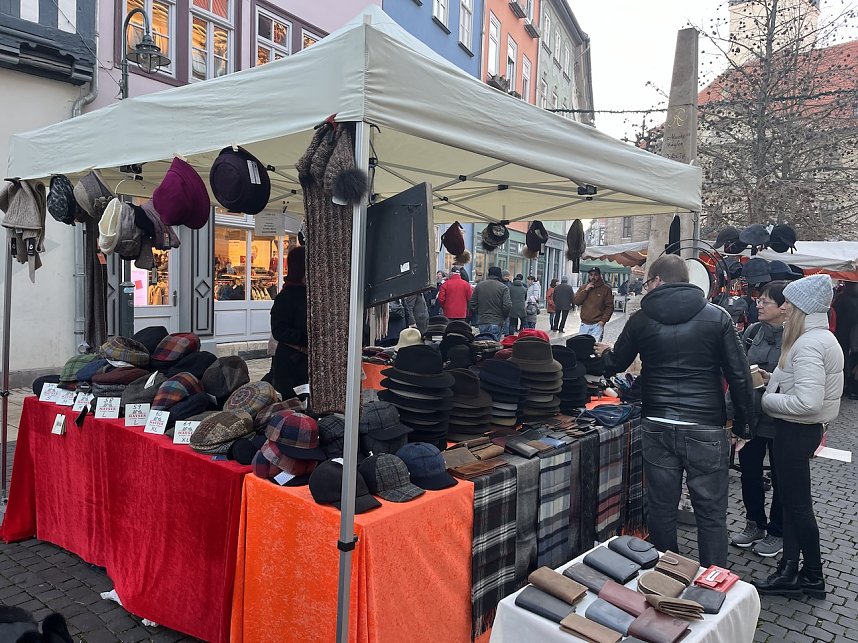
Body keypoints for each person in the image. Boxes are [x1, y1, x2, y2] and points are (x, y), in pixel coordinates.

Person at [594, 254, 754, 567]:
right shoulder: (718, 316)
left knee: (661, 508)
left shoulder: (641, 318)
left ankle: (666, 578)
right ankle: (712, 586)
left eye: (646, 281)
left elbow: (615, 364)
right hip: (706, 426)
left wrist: (605, 354)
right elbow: (739, 375)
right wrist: (743, 425)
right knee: (710, 513)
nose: (645, 287)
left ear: (658, 280)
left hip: (657, 423)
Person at [753, 275, 843, 600]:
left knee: (799, 507)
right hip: (800, 431)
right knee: (793, 506)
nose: (785, 307)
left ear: (803, 306)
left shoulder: (807, 343)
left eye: (790, 302)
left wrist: (766, 400)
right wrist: (773, 380)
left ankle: (812, 575)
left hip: (795, 430)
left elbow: (807, 402)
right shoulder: (818, 338)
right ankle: (792, 570)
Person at [730, 281, 787, 558]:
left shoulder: (797, 340)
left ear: (784, 307)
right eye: (759, 300)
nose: (759, 305)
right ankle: (755, 524)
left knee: (781, 477)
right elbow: (737, 374)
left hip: (782, 419)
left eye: (766, 301)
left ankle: (777, 531)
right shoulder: (752, 332)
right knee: (750, 473)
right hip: (752, 417)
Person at [270, 246, 308, 398]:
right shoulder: (286, 296)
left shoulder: (312, 293)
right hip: (291, 364)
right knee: (293, 403)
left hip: (305, 362)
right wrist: (307, 338)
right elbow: (279, 330)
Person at [469, 266, 511, 341]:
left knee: (483, 343)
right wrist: (504, 316)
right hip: (497, 320)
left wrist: (479, 312)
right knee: (494, 345)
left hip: (483, 320)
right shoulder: (503, 288)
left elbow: (472, 303)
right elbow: (507, 305)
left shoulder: (479, 286)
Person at [831, 281, 858, 399]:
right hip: (844, 334)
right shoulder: (846, 299)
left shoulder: (843, 297)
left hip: (844, 334)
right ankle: (847, 386)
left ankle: (847, 386)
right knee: (844, 360)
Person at [574, 267, 614, 340]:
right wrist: (585, 290)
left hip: (597, 324)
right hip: (584, 323)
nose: (593, 277)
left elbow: (609, 307)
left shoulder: (605, 289)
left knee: (594, 347)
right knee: (581, 345)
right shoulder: (583, 287)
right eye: (591, 275)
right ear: (589, 276)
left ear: (599, 276)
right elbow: (577, 302)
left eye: (595, 275)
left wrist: (603, 320)